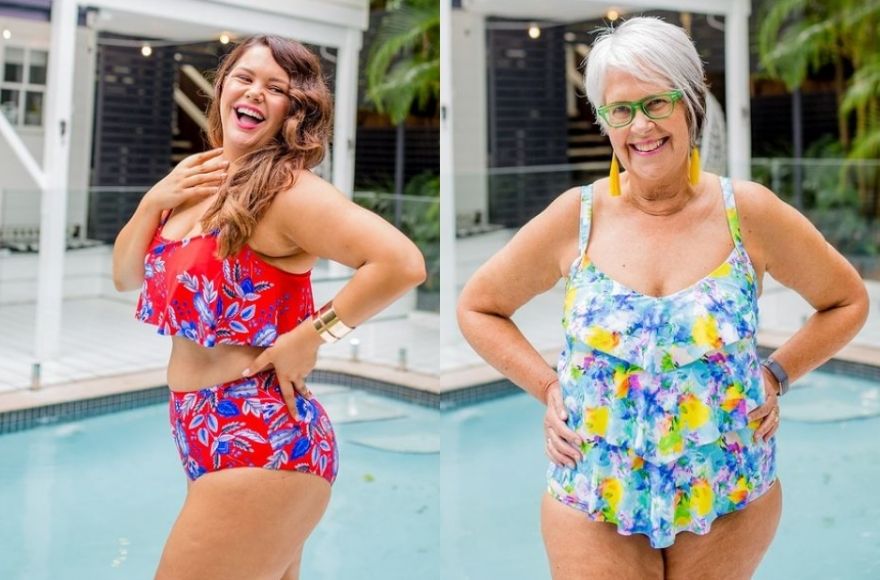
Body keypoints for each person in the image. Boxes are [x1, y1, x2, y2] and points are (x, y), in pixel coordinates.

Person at [457, 17, 868, 580]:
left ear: (691, 104)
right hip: (594, 488)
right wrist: (548, 386)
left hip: (728, 485)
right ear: (603, 123)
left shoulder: (748, 213)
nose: (639, 126)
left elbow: (846, 300)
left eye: (656, 102)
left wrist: (778, 374)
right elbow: (478, 307)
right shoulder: (574, 218)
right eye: (619, 110)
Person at [112, 35, 425, 579]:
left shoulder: (288, 191)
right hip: (201, 427)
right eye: (244, 77)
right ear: (223, 88)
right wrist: (152, 203)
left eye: (275, 88)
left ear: (293, 110)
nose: (255, 92)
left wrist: (312, 336)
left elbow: (401, 262)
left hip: (261, 436)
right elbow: (126, 276)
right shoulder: (197, 177)